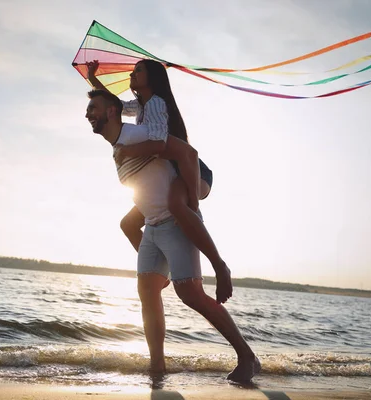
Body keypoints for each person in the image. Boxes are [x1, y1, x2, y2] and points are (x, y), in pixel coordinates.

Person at [84, 89, 260, 382]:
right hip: (152, 228)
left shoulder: (140, 136)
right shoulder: (119, 145)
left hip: (175, 223)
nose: (88, 113)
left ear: (112, 112)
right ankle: (157, 366)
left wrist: (191, 202)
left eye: (93, 107)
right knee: (147, 291)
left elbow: (189, 154)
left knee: (189, 293)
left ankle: (247, 357)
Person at [87, 59, 232, 303]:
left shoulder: (156, 102)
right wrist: (93, 78)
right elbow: (114, 104)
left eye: (138, 71)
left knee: (176, 206)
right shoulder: (141, 106)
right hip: (172, 171)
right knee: (128, 224)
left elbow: (160, 145)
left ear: (152, 77)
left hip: (191, 171)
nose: (132, 74)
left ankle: (219, 267)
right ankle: (160, 273)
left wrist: (193, 208)